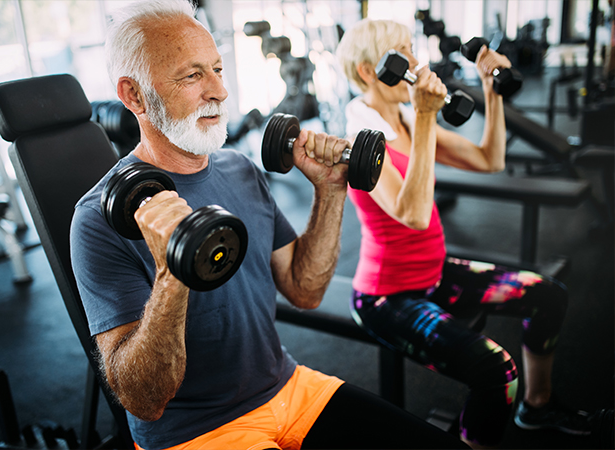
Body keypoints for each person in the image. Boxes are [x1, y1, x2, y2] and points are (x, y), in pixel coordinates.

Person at [70, 1, 467, 449]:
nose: (219, 90)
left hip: (289, 388)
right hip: (196, 431)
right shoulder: (97, 220)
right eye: (192, 75)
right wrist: (171, 273)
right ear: (135, 95)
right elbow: (145, 401)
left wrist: (331, 191)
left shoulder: (239, 168)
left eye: (218, 69)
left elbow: (305, 289)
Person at [336, 18, 592, 449]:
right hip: (387, 296)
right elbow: (413, 214)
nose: (416, 63)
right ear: (368, 71)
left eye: (412, 50)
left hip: (434, 272)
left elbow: (490, 159)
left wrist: (491, 92)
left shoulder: (404, 120)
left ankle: (538, 405)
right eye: (403, 53)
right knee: (497, 372)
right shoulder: (359, 143)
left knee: (549, 295)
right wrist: (423, 116)